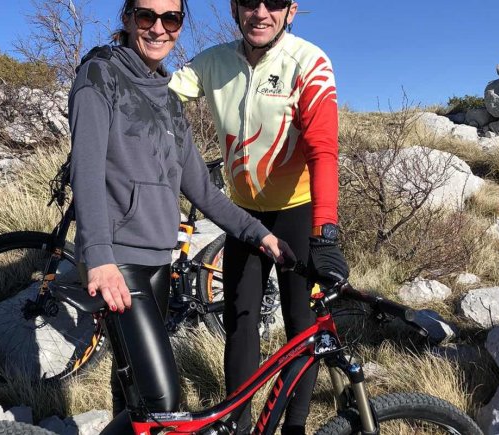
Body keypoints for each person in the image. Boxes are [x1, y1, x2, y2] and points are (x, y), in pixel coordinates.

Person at [68, 0, 295, 427]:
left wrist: (258, 234)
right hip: (118, 260)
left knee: (133, 392)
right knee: (162, 400)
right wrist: (98, 257)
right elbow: (87, 171)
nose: (158, 28)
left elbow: (202, 190)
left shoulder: (168, 97)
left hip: (158, 259)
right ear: (127, 19)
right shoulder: (100, 75)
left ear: (179, 25)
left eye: (170, 18)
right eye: (146, 16)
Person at [169, 1, 350, 433]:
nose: (261, 12)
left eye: (275, 2)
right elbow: (159, 94)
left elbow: (323, 150)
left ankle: (294, 427)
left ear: (292, 10)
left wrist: (325, 231)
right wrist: (113, 70)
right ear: (235, 7)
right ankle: (240, 424)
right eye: (250, 1)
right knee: (240, 320)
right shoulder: (213, 62)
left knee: (302, 327)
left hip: (298, 212)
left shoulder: (309, 62)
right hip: (244, 216)